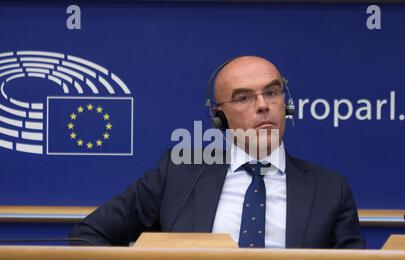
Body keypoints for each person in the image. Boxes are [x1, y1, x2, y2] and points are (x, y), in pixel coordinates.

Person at [70, 56, 365, 249]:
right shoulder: (178, 173)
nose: (263, 105)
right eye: (244, 97)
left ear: (286, 105)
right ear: (220, 117)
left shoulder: (330, 189)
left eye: (272, 93)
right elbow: (89, 235)